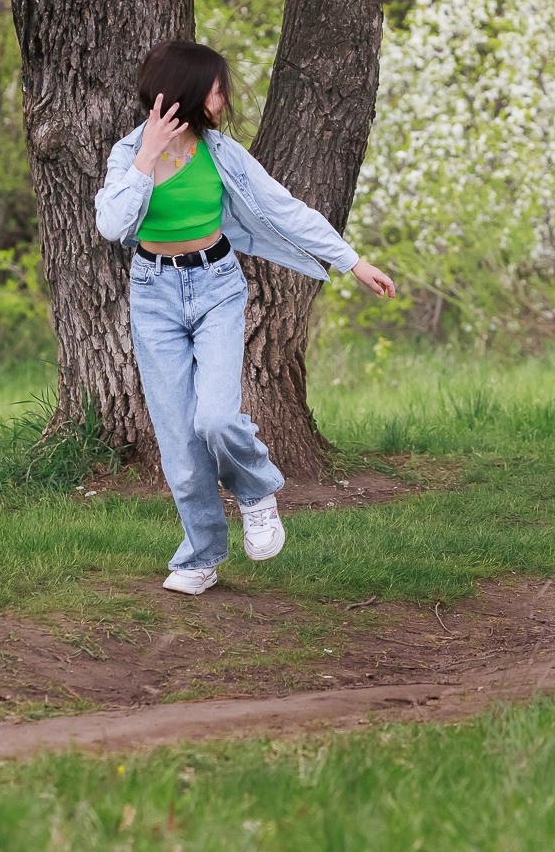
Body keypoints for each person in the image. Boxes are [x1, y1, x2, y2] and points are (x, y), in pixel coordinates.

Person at [93, 40, 397, 595]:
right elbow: (112, 225)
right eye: (215, 89)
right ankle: (201, 557)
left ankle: (256, 491)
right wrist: (145, 159)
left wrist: (351, 261)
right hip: (153, 296)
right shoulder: (127, 154)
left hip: (216, 287)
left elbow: (284, 208)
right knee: (179, 443)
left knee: (214, 418)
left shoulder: (222, 153)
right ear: (184, 92)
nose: (223, 99)